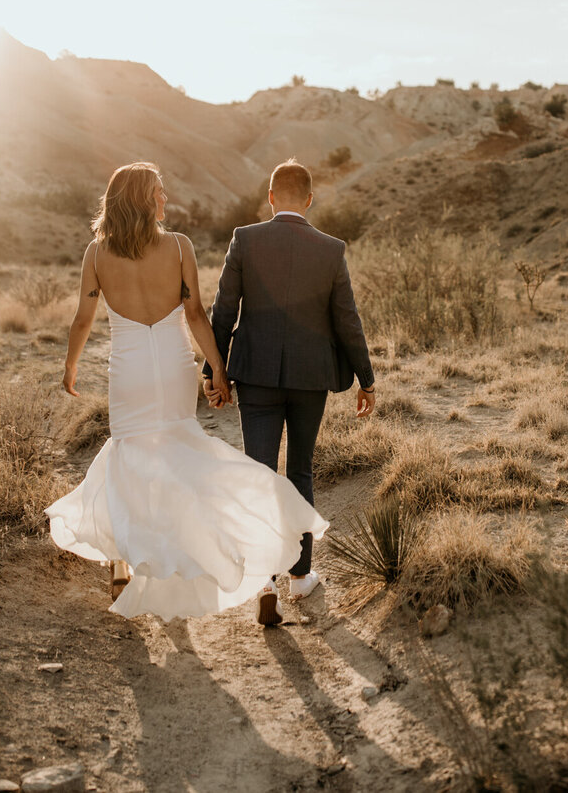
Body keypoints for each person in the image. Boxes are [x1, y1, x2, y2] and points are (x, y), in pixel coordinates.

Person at [47, 161, 326, 627]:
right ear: (141, 198)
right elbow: (196, 313)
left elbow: (82, 319)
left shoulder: (96, 254)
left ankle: (123, 562)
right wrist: (217, 366)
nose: (165, 199)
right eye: (158, 191)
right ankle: (239, 560)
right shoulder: (179, 247)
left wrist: (71, 364)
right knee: (178, 452)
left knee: (129, 455)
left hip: (130, 368)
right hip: (175, 363)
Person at [203, 158, 376, 625]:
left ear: (272, 196)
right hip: (309, 378)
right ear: (311, 199)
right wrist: (367, 378)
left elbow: (223, 309)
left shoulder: (246, 238)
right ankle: (300, 577)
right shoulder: (331, 249)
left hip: (255, 375)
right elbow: (347, 320)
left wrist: (212, 370)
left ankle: (263, 582)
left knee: (259, 474)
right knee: (299, 470)